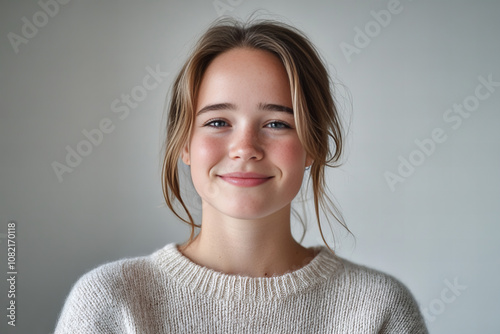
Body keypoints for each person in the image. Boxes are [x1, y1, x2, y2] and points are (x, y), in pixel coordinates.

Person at [54, 17, 428, 333]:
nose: (245, 146)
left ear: (312, 145)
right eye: (218, 121)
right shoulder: (110, 303)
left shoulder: (380, 310)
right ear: (184, 143)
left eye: (278, 123)